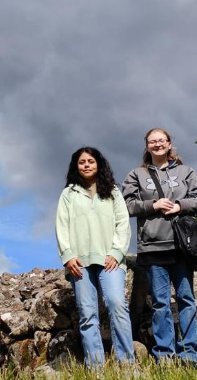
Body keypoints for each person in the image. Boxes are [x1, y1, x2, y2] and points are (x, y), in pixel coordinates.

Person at [122, 129, 197, 367]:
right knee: (160, 303)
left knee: (186, 299)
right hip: (152, 247)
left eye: (161, 140)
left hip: (181, 246)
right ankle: (165, 355)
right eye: (152, 141)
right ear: (147, 147)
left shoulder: (185, 171)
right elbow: (126, 206)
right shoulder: (136, 174)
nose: (157, 144)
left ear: (169, 144)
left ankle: (189, 355)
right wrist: (153, 204)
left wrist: (179, 205)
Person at [55, 146, 134, 369]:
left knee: (117, 304)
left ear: (98, 163)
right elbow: (61, 226)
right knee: (87, 314)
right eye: (82, 162)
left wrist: (117, 253)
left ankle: (127, 365)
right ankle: (96, 368)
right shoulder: (68, 194)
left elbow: (123, 224)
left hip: (111, 260)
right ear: (76, 167)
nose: (86, 165)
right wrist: (68, 256)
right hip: (79, 263)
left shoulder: (113, 191)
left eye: (90, 161)